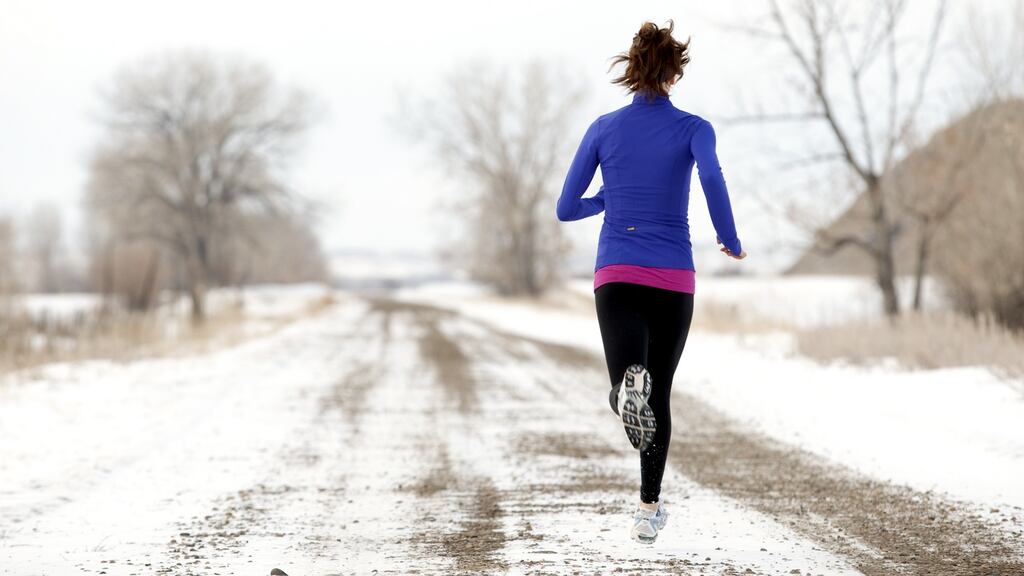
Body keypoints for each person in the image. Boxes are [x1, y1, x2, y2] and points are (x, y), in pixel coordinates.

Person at [555, 19, 746, 544]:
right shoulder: (694, 128)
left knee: (630, 383)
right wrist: (728, 237)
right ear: (674, 73)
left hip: (616, 272)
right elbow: (710, 177)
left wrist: (608, 200)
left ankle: (621, 392)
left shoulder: (603, 128)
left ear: (632, 70)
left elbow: (566, 208)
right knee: (659, 394)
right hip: (673, 277)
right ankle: (647, 508)